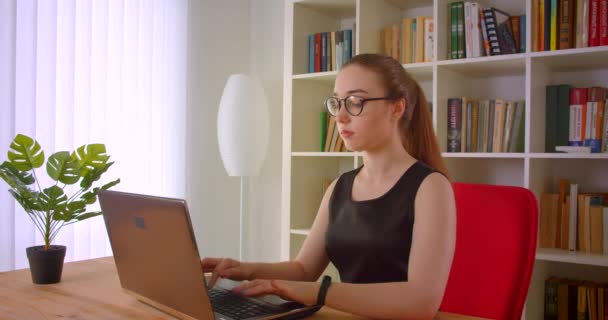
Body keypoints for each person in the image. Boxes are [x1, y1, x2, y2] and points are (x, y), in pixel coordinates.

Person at [202, 53, 456, 319]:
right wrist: (245, 270)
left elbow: (421, 303)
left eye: (356, 102)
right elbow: (303, 269)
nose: (341, 117)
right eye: (337, 103)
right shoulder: (339, 186)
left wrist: (317, 293)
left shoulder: (430, 187)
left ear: (397, 108)